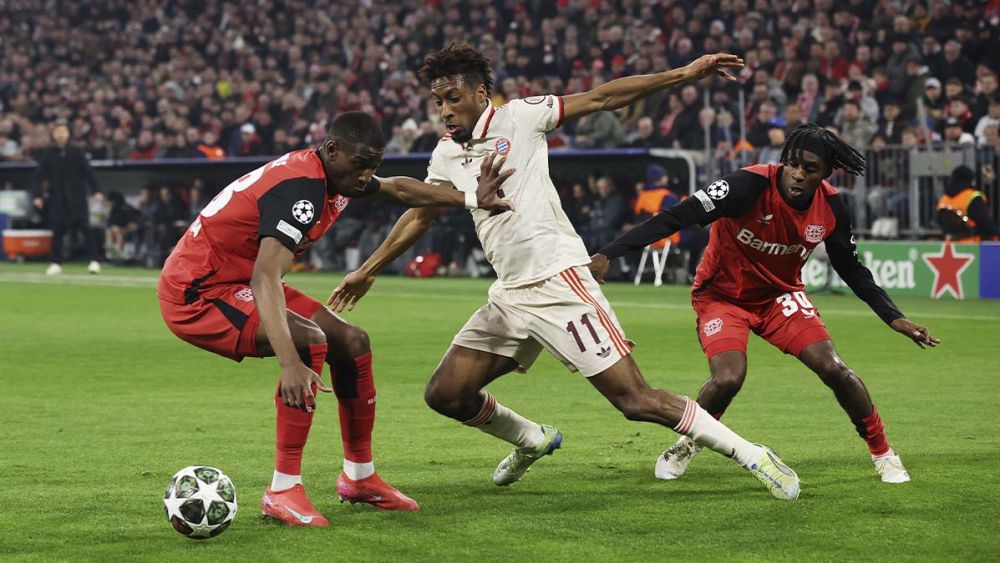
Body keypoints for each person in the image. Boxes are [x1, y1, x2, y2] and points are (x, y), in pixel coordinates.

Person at [330, 44, 802, 501]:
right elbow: (418, 214)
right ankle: (532, 438)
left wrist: (684, 74)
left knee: (635, 400)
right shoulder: (447, 154)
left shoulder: (522, 116)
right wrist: (368, 269)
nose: (444, 110)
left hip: (559, 282)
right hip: (510, 294)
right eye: (437, 102)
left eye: (452, 98)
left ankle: (753, 454)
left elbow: (602, 97)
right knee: (446, 394)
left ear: (480, 94)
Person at [157, 111, 514, 527]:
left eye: (372, 165)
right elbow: (265, 277)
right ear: (331, 150)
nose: (366, 176)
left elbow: (399, 189)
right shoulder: (301, 189)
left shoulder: (336, 174)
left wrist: (471, 198)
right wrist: (290, 362)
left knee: (352, 342)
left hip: (236, 280)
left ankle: (359, 477)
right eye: (361, 164)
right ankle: (282, 490)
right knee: (309, 342)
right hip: (198, 293)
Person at [589, 124, 939, 485]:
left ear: (825, 173)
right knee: (728, 377)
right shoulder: (746, 186)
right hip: (722, 296)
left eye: (811, 169)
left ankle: (883, 453)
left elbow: (851, 268)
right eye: (794, 163)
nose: (799, 174)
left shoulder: (832, 207)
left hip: (780, 296)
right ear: (785, 160)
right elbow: (678, 216)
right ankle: (690, 442)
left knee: (834, 368)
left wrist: (894, 317)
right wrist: (609, 253)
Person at [31, 122, 102, 275]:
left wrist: (96, 191)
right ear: (53, 134)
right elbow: (39, 177)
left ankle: (94, 261)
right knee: (57, 231)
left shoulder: (77, 152)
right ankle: (55, 262)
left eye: (63, 131)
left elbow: (88, 173)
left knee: (85, 229)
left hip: (77, 198)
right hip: (57, 198)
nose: (61, 134)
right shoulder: (47, 154)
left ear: (69, 133)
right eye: (57, 132)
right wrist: (37, 195)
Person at [937, 165, 998, 241]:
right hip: (972, 244)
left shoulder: (943, 199)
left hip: (950, 243)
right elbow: (985, 224)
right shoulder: (972, 197)